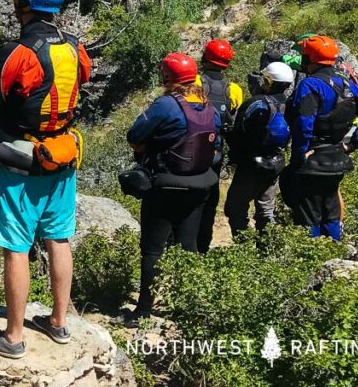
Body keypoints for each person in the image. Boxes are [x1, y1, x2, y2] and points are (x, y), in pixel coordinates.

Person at [0, 0, 91, 358]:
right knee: (58, 238)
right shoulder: (74, 47)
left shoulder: (19, 53)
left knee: (16, 247)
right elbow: (82, 79)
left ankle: (13, 336)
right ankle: (58, 322)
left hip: (24, 160)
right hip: (63, 156)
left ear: (23, 4)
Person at [126, 54, 221, 319]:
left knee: (153, 249)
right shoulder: (208, 105)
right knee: (188, 244)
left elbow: (134, 135)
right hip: (201, 184)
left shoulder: (166, 105)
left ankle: (143, 310)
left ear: (167, 78)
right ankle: (188, 309)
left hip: (166, 186)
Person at [281, 35, 358, 241]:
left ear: (309, 58)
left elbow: (303, 124)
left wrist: (300, 154)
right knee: (331, 211)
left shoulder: (310, 85)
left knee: (309, 215)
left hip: (312, 161)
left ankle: (312, 260)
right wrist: (351, 145)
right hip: (337, 157)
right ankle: (334, 252)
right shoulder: (347, 83)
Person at [223, 62, 294, 235]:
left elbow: (239, 132)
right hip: (277, 162)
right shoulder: (292, 105)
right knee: (266, 209)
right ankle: (265, 248)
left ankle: (242, 242)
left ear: (268, 81)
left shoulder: (257, 103)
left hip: (250, 165)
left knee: (235, 207)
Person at [195, 39, 243, 253]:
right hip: (216, 150)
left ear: (205, 58)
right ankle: (203, 244)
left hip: (191, 149)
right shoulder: (233, 90)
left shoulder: (194, 82)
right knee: (210, 199)